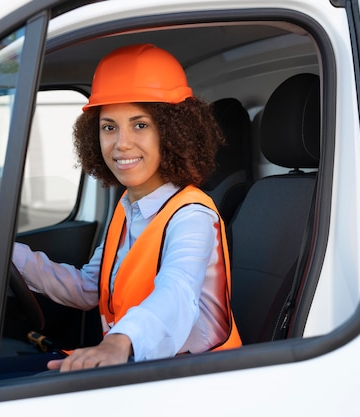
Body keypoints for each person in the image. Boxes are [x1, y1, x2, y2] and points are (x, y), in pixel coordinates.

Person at [12, 43, 242, 373]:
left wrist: (118, 341)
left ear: (172, 133)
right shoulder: (127, 206)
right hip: (138, 372)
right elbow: (90, 288)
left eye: (140, 124)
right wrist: (6, 255)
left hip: (198, 380)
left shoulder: (193, 215)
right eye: (109, 127)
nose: (121, 143)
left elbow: (177, 292)